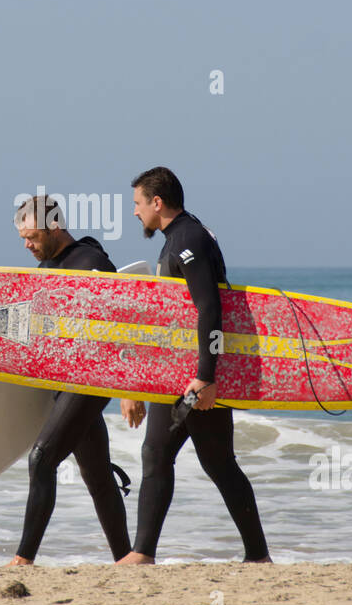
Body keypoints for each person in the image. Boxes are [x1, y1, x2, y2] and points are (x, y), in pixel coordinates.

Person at [115, 167, 271, 565]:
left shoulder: (189, 239)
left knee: (160, 454)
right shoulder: (179, 239)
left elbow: (209, 307)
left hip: (195, 378)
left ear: (157, 202)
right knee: (213, 462)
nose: (134, 213)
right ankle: (257, 555)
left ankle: (142, 553)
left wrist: (205, 376)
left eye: (137, 204)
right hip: (185, 374)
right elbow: (173, 320)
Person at [6, 194, 132, 565]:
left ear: (55, 226)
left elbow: (123, 326)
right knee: (95, 473)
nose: (27, 246)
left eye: (32, 237)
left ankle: (24, 559)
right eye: (22, 239)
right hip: (66, 382)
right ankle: (125, 559)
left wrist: (128, 389)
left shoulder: (91, 263)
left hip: (92, 380)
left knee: (42, 458)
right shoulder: (50, 265)